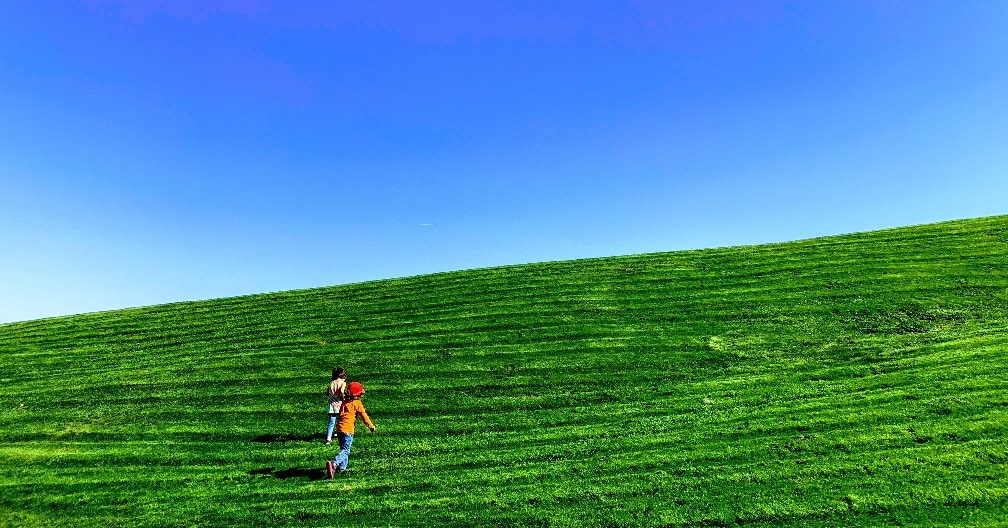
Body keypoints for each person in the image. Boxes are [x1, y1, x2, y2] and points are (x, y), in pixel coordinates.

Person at [327, 381, 375, 478]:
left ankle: (342, 468)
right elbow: (364, 416)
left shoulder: (344, 402)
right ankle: (334, 463)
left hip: (339, 429)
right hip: (348, 430)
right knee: (346, 450)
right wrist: (371, 426)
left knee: (343, 448)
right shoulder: (357, 403)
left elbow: (340, 414)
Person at [324, 368, 347, 445]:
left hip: (331, 404)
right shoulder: (343, 383)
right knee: (341, 420)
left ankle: (328, 438)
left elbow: (327, 392)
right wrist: (343, 398)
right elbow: (341, 391)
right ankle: (339, 433)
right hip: (339, 404)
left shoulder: (332, 383)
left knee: (331, 422)